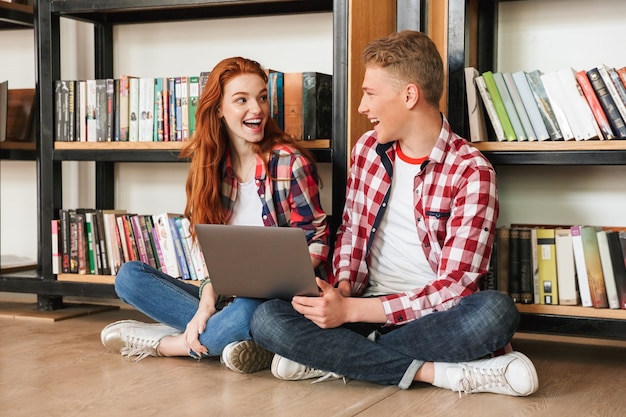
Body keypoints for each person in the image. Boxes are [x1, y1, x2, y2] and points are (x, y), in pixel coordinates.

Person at [250, 31, 539, 396]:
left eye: (370, 93)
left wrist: (350, 313)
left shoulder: (471, 171)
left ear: (409, 95)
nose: (361, 107)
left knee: (496, 313)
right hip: (361, 302)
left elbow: (455, 288)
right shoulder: (367, 149)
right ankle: (439, 372)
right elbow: (353, 232)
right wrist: (340, 293)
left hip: (431, 318)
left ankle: (332, 360)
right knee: (267, 319)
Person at [100, 56, 330, 373]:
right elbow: (214, 255)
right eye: (242, 100)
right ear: (219, 109)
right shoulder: (212, 168)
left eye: (262, 97)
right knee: (129, 277)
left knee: (251, 311)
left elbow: (317, 239)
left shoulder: (289, 163)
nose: (257, 109)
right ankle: (231, 339)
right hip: (229, 297)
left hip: (275, 302)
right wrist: (205, 305)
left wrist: (278, 278)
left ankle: (169, 345)